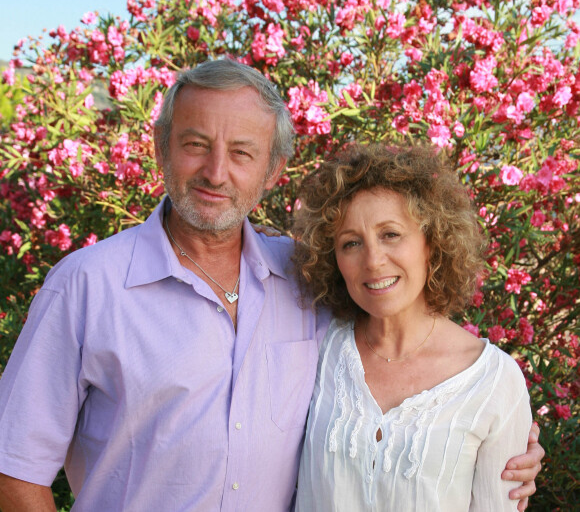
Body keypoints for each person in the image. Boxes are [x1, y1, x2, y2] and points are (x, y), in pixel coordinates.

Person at [0, 60, 541, 512]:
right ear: (162, 146)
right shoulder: (86, 286)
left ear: (274, 168)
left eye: (241, 152)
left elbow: (403, 347)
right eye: (195, 144)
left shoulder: (307, 278)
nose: (216, 172)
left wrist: (491, 430)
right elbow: (14, 470)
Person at [293, 143, 535, 511]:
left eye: (391, 234)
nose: (373, 261)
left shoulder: (493, 383)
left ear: (431, 242)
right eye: (351, 243)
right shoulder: (316, 348)